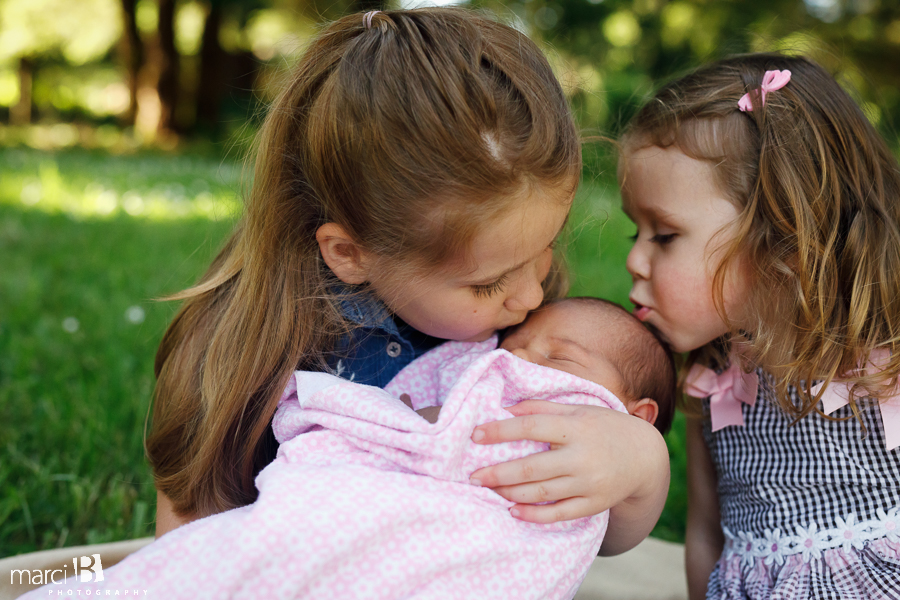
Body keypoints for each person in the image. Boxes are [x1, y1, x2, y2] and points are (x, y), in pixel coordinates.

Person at [147, 5, 671, 558]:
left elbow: (589, 532)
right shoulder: (241, 351)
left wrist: (641, 466)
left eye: (544, 249)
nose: (534, 296)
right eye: (489, 283)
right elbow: (185, 546)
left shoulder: (529, 341)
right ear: (350, 255)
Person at [22, 297, 674, 599]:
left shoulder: (606, 436)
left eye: (559, 357)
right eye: (517, 347)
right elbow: (414, 424)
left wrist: (641, 457)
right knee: (203, 565)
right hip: (329, 517)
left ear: (636, 413)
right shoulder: (249, 333)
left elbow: (613, 532)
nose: (516, 360)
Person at [619, 53, 900, 598]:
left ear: (783, 237)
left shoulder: (884, 360)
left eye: (665, 236)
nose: (634, 259)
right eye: (637, 232)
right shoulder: (712, 384)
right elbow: (707, 535)